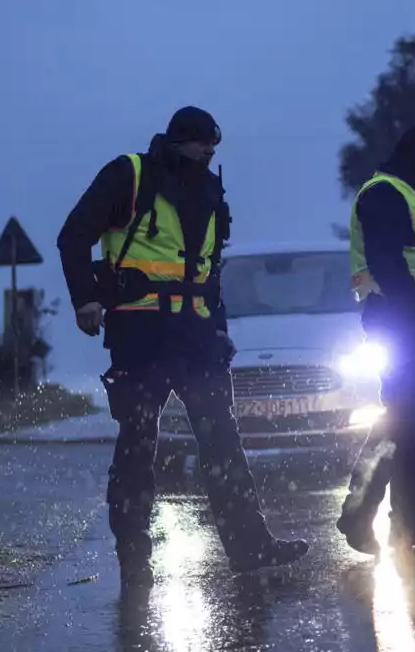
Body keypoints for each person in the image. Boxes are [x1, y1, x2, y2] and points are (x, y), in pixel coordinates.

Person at [57, 106, 308, 591]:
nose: (208, 155)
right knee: (138, 445)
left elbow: (208, 273)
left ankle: (251, 547)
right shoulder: (129, 175)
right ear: (175, 142)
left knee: (223, 443)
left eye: (213, 149)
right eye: (200, 147)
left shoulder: (210, 192)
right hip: (140, 334)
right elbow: (73, 237)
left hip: (196, 337)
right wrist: (85, 299)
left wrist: (220, 330)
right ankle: (134, 558)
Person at [336, 122, 415, 555]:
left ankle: (408, 522)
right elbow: (386, 261)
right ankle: (364, 514)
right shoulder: (386, 193)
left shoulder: (405, 194)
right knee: (405, 423)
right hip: (404, 324)